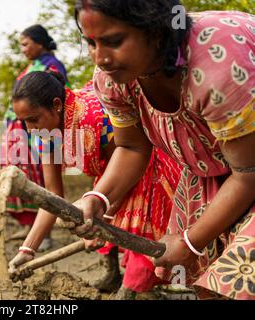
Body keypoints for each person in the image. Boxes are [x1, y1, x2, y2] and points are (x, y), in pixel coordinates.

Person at [73, 0, 254, 299]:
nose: (100, 57)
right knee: (209, 286)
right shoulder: (113, 80)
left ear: (156, 32)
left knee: (237, 280)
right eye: (91, 43)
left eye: (113, 41)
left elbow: (248, 172)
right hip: (211, 171)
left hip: (248, 168)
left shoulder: (216, 65)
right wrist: (99, 197)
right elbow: (131, 146)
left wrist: (191, 241)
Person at [7, 71, 181, 298]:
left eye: (33, 119)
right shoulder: (44, 135)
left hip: (145, 166)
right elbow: (52, 194)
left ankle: (132, 289)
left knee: (142, 242)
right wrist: (27, 250)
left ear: (57, 105)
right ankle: (114, 275)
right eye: (24, 122)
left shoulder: (92, 117)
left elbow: (129, 164)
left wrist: (102, 221)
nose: (30, 129)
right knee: (97, 209)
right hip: (111, 171)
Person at [1, 25, 69, 249]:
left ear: (40, 43)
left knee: (35, 178)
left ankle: (44, 232)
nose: (23, 49)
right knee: (17, 176)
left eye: (25, 43)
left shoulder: (52, 67)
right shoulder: (31, 67)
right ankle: (31, 228)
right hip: (20, 130)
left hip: (36, 131)